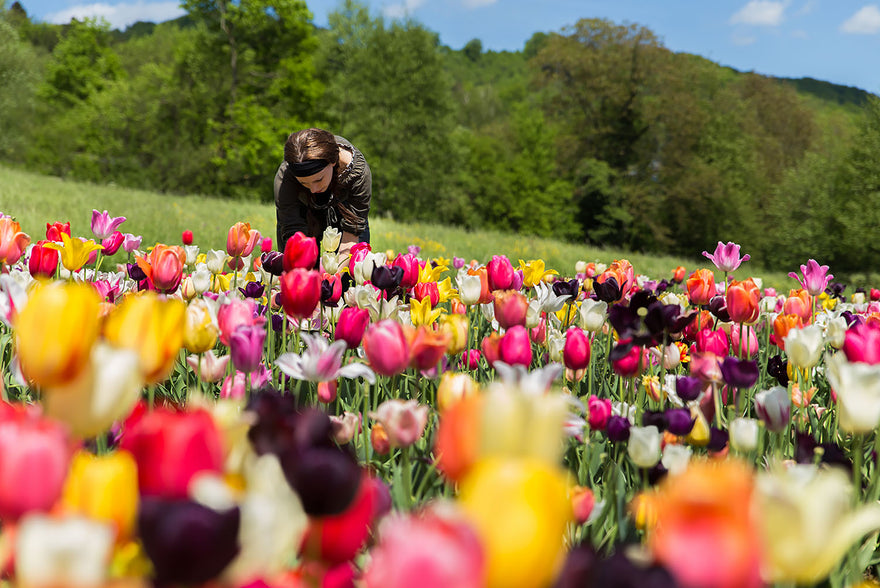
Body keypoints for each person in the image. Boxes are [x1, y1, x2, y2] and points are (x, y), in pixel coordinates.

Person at [274, 128, 371, 256]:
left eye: (318, 179)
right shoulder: (285, 179)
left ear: (333, 161)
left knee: (351, 269)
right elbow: (294, 234)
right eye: (304, 183)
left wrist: (334, 275)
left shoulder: (357, 173)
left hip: (344, 208)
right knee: (301, 261)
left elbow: (351, 237)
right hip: (304, 209)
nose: (314, 189)